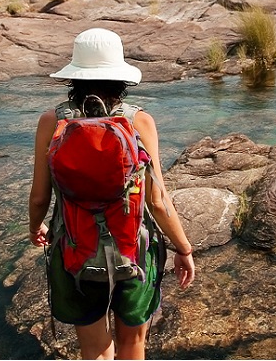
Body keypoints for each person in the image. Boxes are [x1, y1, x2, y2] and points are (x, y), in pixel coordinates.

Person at [28, 27, 196, 360]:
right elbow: (158, 200)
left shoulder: (51, 122)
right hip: (134, 252)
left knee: (93, 348)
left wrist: (36, 228)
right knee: (133, 345)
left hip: (75, 252)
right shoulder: (139, 121)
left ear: (74, 77)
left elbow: (38, 197)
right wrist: (183, 248)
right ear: (120, 78)